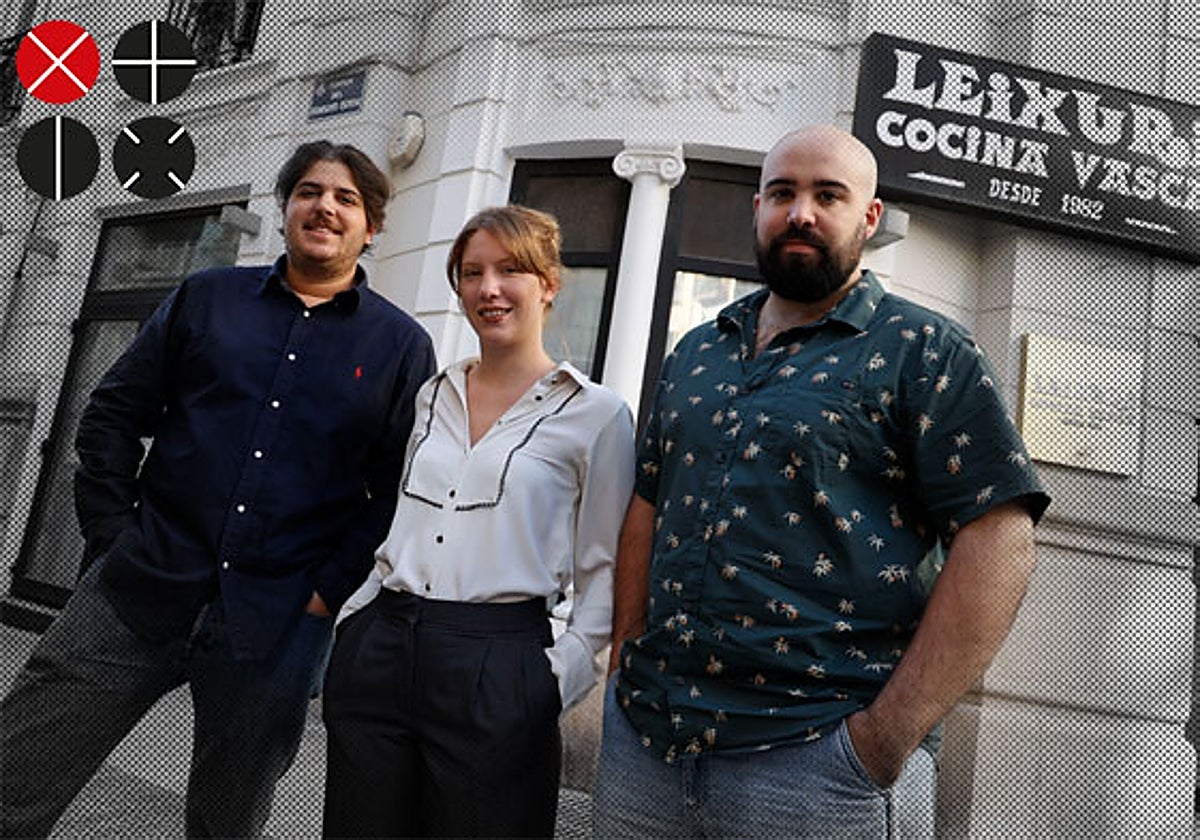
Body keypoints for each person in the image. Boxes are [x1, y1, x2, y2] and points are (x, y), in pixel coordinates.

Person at [591, 125, 1051, 839]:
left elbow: (1000, 536)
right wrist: (625, 653)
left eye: (828, 196)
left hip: (819, 761)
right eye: (782, 193)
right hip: (648, 745)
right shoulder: (698, 350)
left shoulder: (924, 350)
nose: (800, 213)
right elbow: (649, 497)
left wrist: (886, 737)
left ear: (869, 217)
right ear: (758, 208)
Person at [0, 140, 436, 838]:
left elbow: (392, 489)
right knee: (16, 773)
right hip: (138, 587)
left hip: (276, 622)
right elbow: (112, 413)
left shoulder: (400, 347)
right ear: (285, 208)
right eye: (309, 192)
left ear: (372, 227)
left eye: (346, 199)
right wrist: (112, 534)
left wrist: (326, 590)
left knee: (225, 823)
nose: (325, 207)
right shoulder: (206, 299)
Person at [320, 205, 635, 839]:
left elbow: (604, 568)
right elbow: (402, 522)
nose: (489, 288)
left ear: (548, 284)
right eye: (472, 273)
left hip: (501, 661)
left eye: (510, 269)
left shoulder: (597, 414)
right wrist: (356, 620)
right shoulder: (432, 395)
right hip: (381, 644)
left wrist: (555, 679)